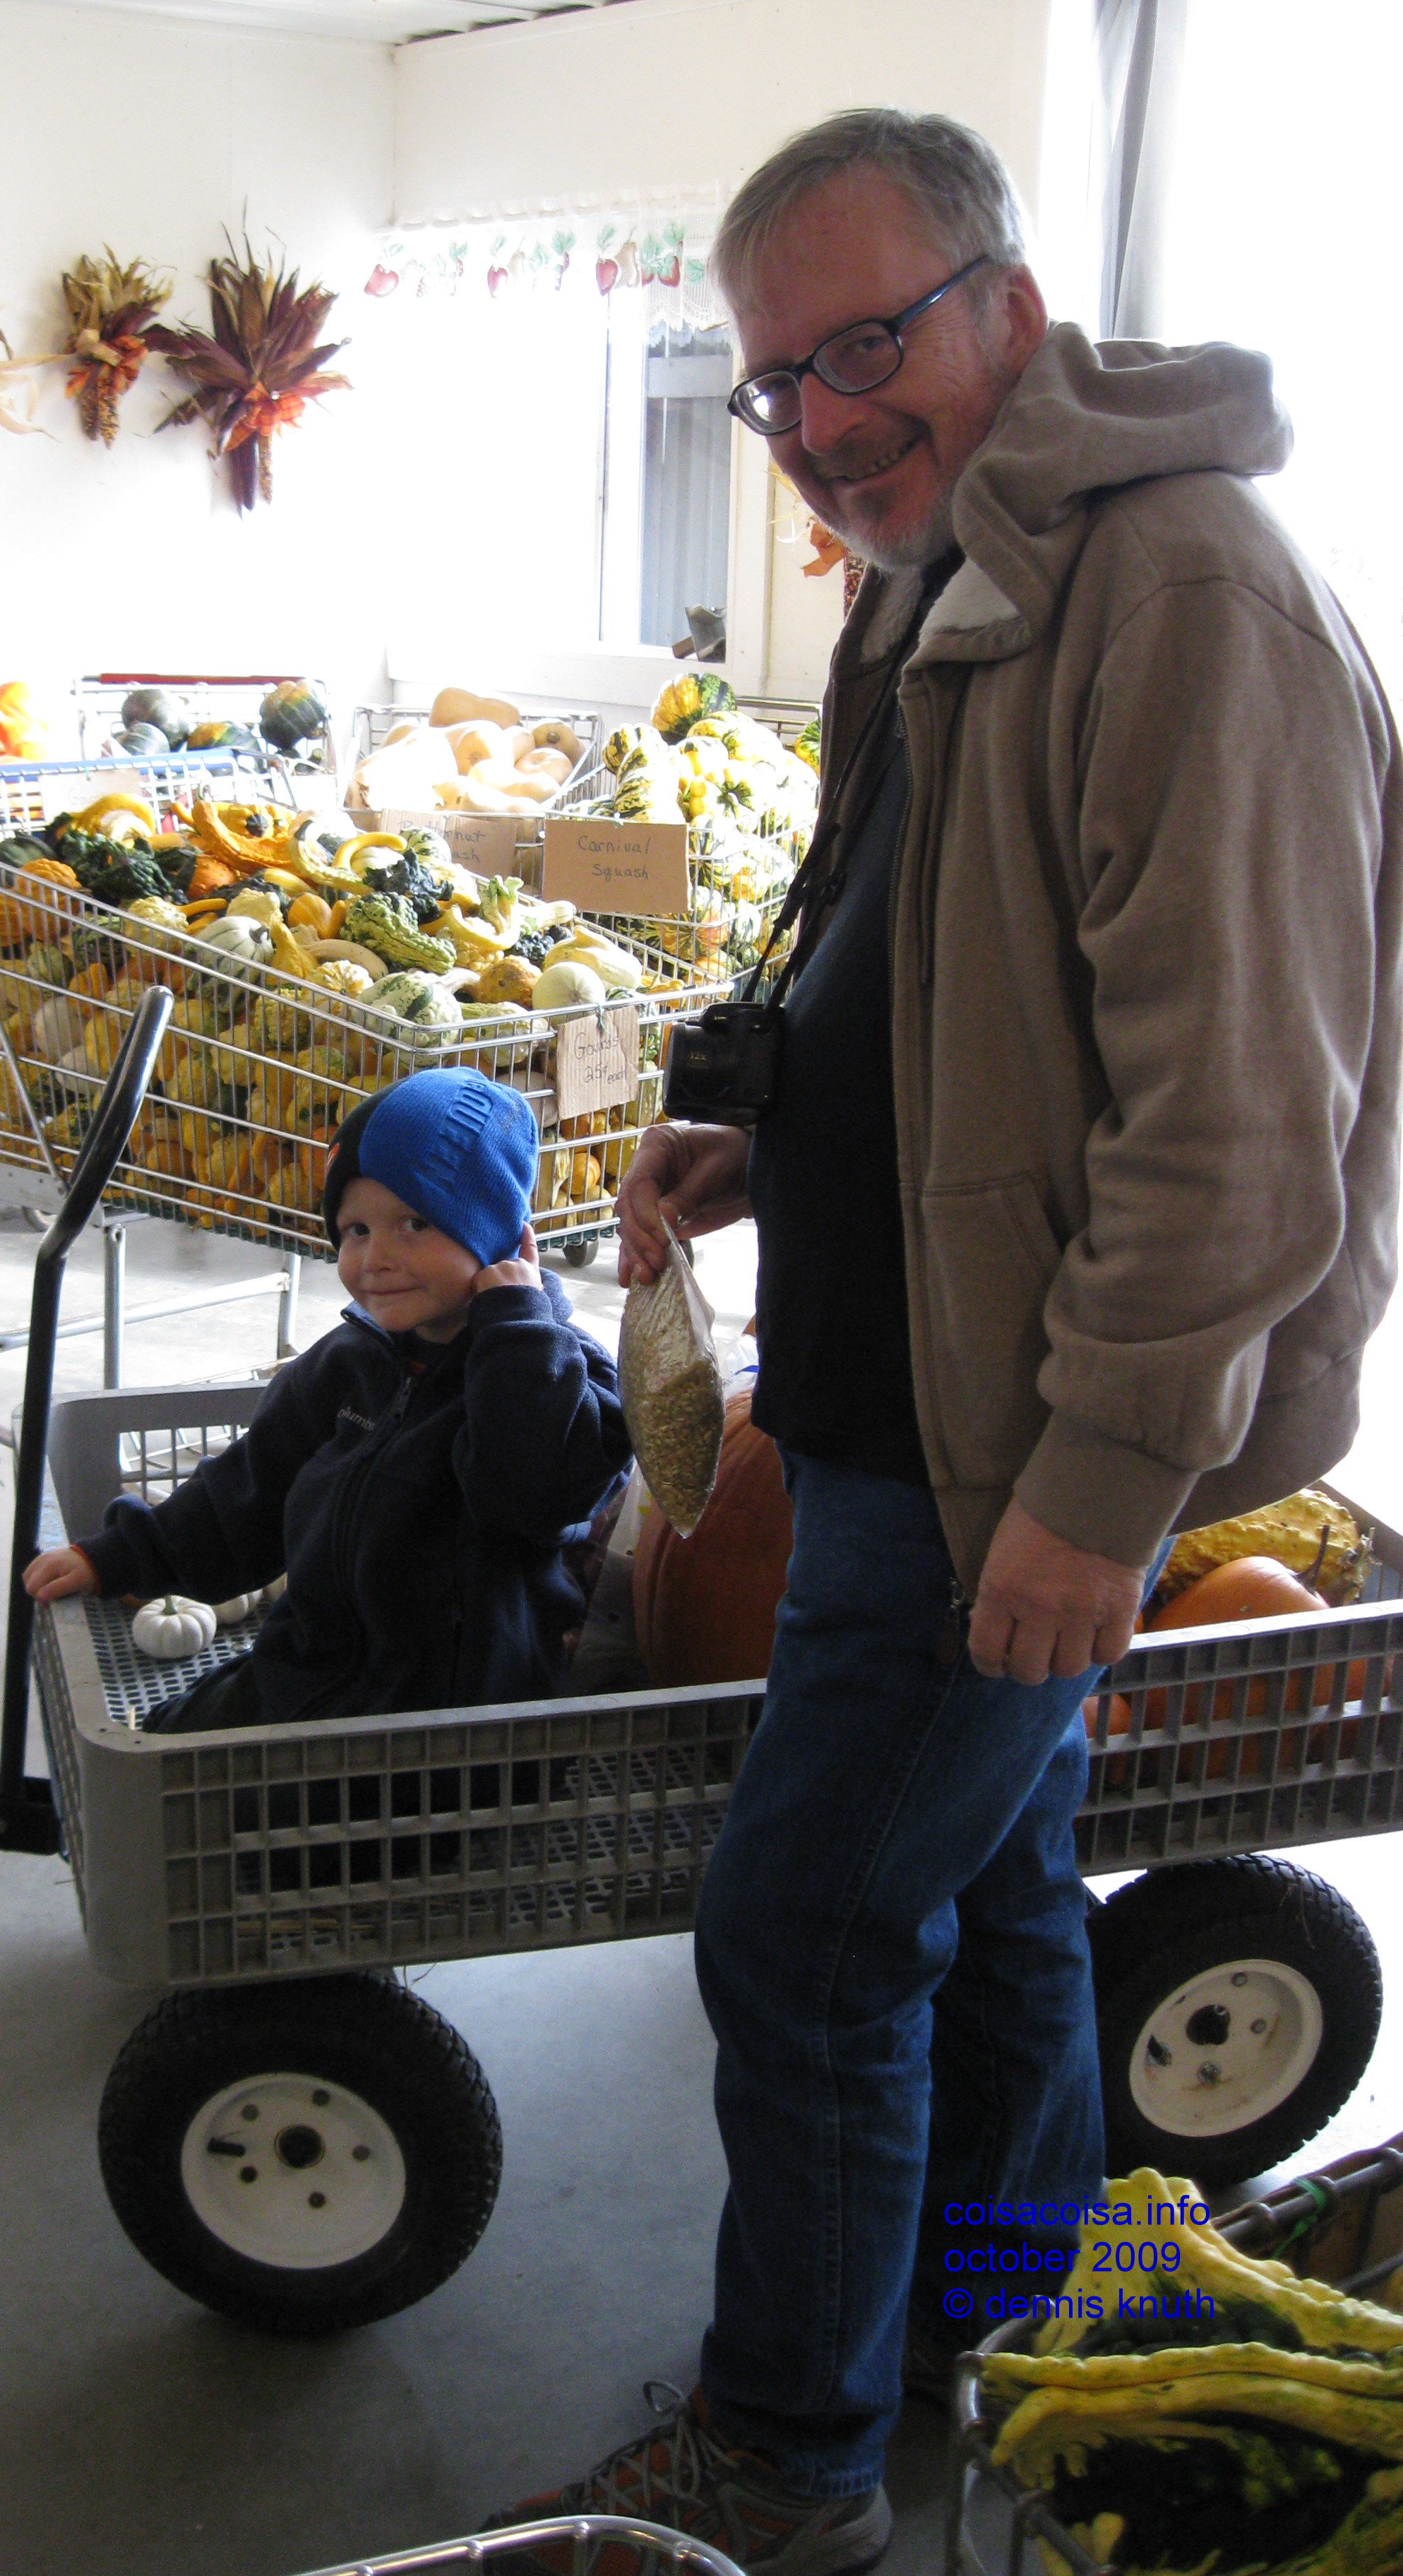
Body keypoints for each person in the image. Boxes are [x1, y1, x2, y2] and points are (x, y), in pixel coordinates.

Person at [488, 106, 1403, 2576]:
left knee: (800, 1927)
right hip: (889, 1389)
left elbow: (1233, 1126)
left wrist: (1096, 1495)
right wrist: (745, 1130)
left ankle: (786, 2457)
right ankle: (1017, 2341)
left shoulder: (1185, 593)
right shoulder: (945, 566)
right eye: (775, 383)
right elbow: (916, 958)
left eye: (863, 344)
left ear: (1007, 300)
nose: (820, 419)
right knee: (991, 1913)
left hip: (1012, 1441)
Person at [21, 1066, 633, 1732]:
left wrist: (516, 1327)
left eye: (415, 1223)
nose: (376, 1258)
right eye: (356, 1230)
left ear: (498, 1235)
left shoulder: (559, 1370)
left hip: (452, 1731)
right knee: (163, 1759)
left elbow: (528, 1499)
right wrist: (116, 1557)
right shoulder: (349, 1363)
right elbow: (245, 1494)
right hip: (310, 1665)